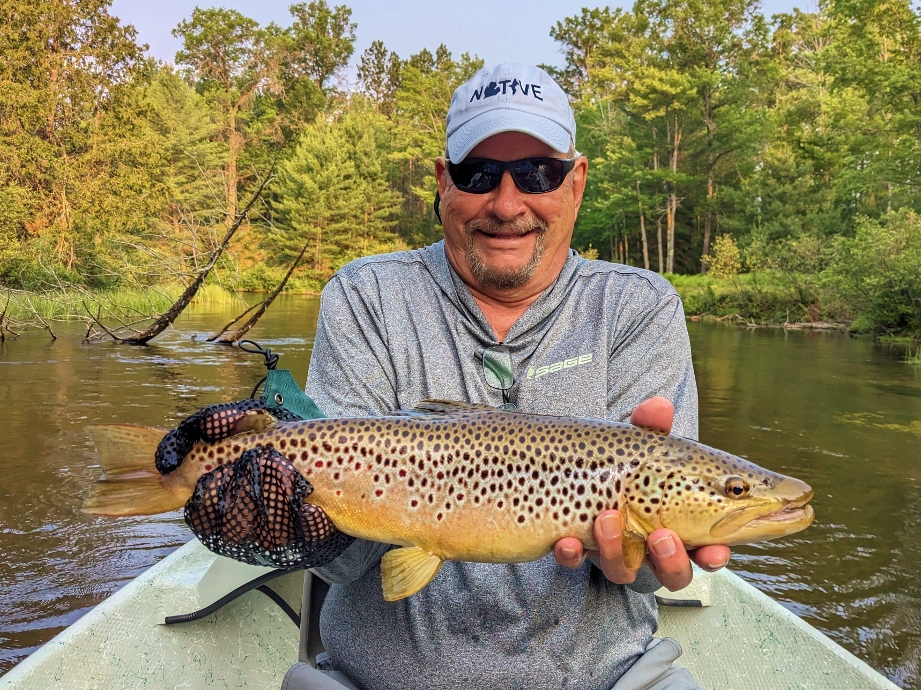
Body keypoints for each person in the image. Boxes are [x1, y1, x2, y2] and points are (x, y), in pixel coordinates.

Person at [174, 63, 730, 689]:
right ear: (442, 182)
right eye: (479, 174)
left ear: (576, 183)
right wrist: (292, 519)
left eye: (537, 172)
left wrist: (647, 562)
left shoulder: (638, 307)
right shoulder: (369, 296)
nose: (507, 202)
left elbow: (660, 567)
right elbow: (348, 564)